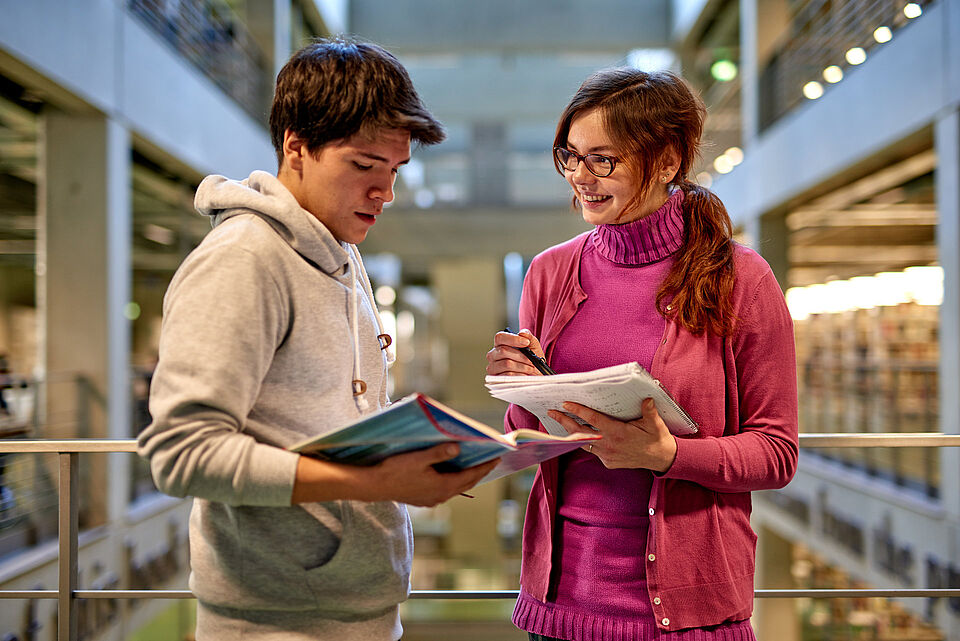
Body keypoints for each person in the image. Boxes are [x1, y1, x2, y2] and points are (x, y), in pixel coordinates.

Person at [138, 38, 496, 641]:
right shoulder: (243, 261)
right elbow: (181, 454)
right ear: (295, 147)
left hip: (354, 608)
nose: (385, 192)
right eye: (363, 166)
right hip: (275, 620)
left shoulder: (340, 251)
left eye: (395, 171)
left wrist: (416, 464)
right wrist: (375, 483)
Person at [486, 68, 799, 641]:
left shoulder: (740, 278)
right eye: (570, 156)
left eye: (602, 159)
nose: (581, 177)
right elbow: (526, 440)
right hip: (557, 610)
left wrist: (667, 454)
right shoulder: (550, 272)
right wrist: (522, 389)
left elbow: (776, 454)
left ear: (669, 161)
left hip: (690, 619)